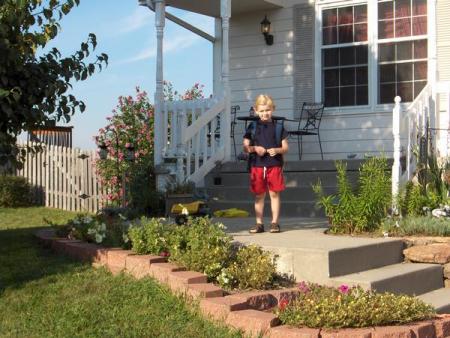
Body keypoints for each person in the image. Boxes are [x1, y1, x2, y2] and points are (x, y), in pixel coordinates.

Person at [243, 94, 289, 233]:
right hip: (257, 165)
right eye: (262, 111)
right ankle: (259, 223)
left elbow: (285, 148)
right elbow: (245, 147)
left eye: (267, 110)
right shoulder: (252, 127)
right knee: (259, 195)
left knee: (274, 194)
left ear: (272, 109)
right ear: (256, 110)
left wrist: (277, 149)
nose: (265, 113)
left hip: (274, 164)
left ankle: (274, 223)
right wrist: (255, 148)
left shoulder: (279, 127)